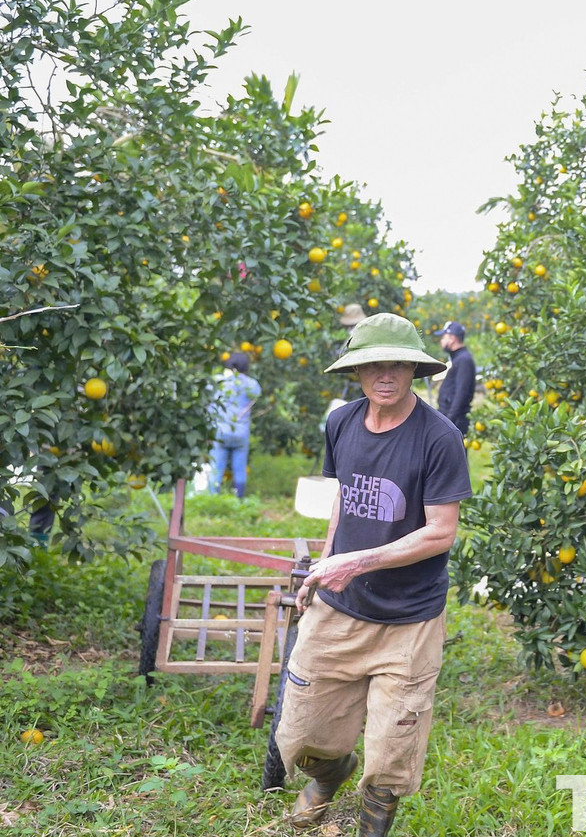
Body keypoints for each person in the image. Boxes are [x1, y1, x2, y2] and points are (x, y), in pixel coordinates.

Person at [275, 313, 471, 836]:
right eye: (372, 364)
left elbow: (441, 531)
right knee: (306, 723)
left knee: (392, 748)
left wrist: (358, 562)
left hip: (409, 619)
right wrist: (322, 567)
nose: (385, 374)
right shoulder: (341, 423)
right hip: (340, 607)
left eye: (397, 364)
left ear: (414, 369)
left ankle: (373, 822)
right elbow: (346, 502)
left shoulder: (439, 438)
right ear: (356, 372)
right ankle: (328, 774)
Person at [208, 352, 261, 498]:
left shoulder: (219, 381)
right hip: (241, 433)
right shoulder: (252, 385)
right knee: (240, 469)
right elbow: (257, 392)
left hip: (220, 431)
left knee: (216, 468)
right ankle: (239, 498)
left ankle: (213, 498)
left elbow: (209, 401)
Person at [432, 320, 476, 435]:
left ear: (452, 339)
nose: (441, 340)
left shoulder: (464, 360)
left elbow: (462, 393)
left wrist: (448, 421)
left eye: (443, 337)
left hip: (456, 421)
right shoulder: (458, 359)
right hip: (450, 418)